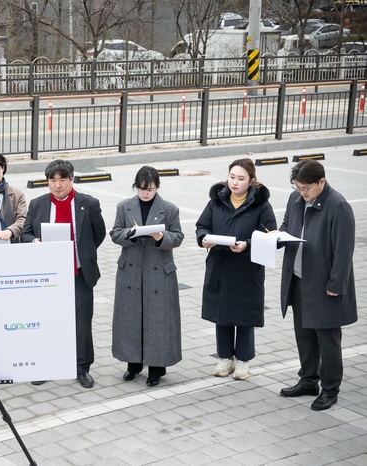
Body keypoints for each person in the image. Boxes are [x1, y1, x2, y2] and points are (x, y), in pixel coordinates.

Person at [278, 160, 357, 411]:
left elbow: (344, 251)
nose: (302, 193)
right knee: (304, 335)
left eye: (306, 188)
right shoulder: (295, 199)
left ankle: (331, 389)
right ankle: (308, 380)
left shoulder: (338, 205)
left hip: (324, 285)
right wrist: (274, 238)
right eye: (298, 187)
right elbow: (286, 226)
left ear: (321, 182)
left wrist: (336, 284)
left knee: (327, 340)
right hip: (299, 279)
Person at [21, 159, 106, 388]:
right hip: (48, 275)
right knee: (47, 321)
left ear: (71, 179)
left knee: (81, 322)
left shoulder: (88, 203)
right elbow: (25, 233)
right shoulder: (38, 204)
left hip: (78, 273)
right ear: (47, 182)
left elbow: (99, 234)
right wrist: (35, 241)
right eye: (52, 180)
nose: (57, 185)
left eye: (62, 180)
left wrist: (84, 253)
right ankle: (47, 364)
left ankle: (81, 367)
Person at [196, 158, 276, 381]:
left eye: (241, 178)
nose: (234, 182)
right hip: (220, 265)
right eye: (232, 177)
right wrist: (204, 239)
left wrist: (247, 245)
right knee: (222, 314)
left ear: (251, 181)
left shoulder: (261, 205)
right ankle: (224, 357)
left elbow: (271, 235)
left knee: (244, 315)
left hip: (247, 268)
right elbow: (202, 225)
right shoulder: (217, 200)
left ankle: (243, 361)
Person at [109, 166, 184, 387]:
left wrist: (161, 236)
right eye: (141, 189)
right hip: (130, 272)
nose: (145, 193)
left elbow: (178, 237)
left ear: (157, 187)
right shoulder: (124, 206)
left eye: (150, 189)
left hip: (159, 271)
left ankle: (156, 369)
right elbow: (114, 233)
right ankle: (132, 364)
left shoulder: (169, 209)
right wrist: (129, 235)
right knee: (130, 318)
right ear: (136, 187)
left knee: (158, 320)